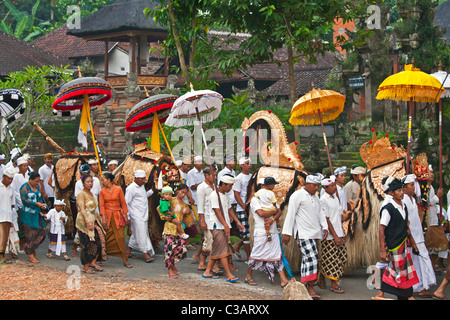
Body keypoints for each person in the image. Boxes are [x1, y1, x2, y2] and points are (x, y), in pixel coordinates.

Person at [282, 173, 328, 300]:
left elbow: (320, 212)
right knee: (311, 257)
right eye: (314, 185)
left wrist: (324, 227)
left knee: (310, 259)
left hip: (314, 233)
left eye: (317, 186)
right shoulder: (297, 195)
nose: (316, 188)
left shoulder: (316, 196)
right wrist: (287, 233)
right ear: (307, 184)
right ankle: (309, 286)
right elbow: (290, 214)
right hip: (302, 233)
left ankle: (304, 285)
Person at [373, 176, 419, 300]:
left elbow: (405, 226)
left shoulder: (404, 206)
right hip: (394, 244)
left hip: (403, 242)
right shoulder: (388, 208)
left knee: (402, 271)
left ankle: (404, 295)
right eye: (398, 191)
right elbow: (381, 229)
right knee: (396, 270)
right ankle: (404, 295)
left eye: (402, 190)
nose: (401, 193)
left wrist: (413, 242)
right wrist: (383, 249)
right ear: (392, 193)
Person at [245, 177, 288, 287]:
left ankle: (283, 279)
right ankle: (248, 276)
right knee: (256, 253)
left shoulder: (271, 197)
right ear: (263, 186)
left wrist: (272, 219)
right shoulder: (255, 200)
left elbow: (279, 212)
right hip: (261, 231)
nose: (273, 187)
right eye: (271, 185)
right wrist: (273, 212)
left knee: (277, 255)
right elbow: (261, 213)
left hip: (272, 231)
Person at [202, 174, 245, 283]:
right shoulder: (214, 195)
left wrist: (237, 221)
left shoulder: (225, 195)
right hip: (217, 226)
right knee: (224, 251)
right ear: (223, 184)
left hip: (224, 225)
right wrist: (225, 225)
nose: (231, 188)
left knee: (217, 249)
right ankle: (229, 275)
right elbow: (217, 211)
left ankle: (207, 271)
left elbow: (229, 209)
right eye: (230, 186)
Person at [402, 174, 436, 298]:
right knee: (418, 260)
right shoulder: (404, 199)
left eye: (413, 185)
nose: (414, 188)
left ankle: (423, 286)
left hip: (418, 235)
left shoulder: (412, 199)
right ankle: (421, 286)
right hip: (411, 236)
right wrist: (408, 236)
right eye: (411, 185)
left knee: (422, 259)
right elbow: (405, 220)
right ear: (404, 187)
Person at [320, 175, 347, 294]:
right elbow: (327, 220)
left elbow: (338, 217)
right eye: (331, 186)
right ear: (325, 188)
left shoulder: (335, 198)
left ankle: (326, 277)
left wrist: (342, 232)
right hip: (331, 236)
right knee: (332, 260)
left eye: (334, 185)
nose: (334, 188)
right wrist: (335, 236)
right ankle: (333, 284)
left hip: (339, 232)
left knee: (342, 257)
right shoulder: (323, 200)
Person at [99, 172, 132, 268]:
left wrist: (126, 217)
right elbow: (101, 205)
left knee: (120, 237)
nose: (102, 182)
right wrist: (103, 218)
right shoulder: (102, 191)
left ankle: (125, 259)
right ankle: (101, 256)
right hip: (108, 216)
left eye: (103, 179)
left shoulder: (118, 189)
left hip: (118, 215)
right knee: (106, 237)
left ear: (108, 180)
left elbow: (123, 203)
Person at [76, 175, 106, 274]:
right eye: (88, 182)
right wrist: (88, 222)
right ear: (83, 183)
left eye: (91, 182)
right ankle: (85, 266)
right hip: (84, 220)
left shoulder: (92, 194)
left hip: (93, 219)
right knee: (86, 243)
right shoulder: (81, 194)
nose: (90, 184)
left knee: (99, 239)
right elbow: (82, 209)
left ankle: (93, 262)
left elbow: (94, 209)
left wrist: (99, 219)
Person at [194, 166, 221, 272]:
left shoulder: (216, 186)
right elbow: (200, 206)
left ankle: (205, 262)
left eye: (216, 175)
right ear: (207, 175)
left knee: (215, 241)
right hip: (207, 217)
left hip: (216, 217)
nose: (215, 177)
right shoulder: (201, 187)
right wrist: (202, 220)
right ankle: (209, 264)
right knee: (209, 240)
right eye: (213, 175)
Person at [125, 169, 155, 263]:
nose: (143, 181)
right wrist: (128, 217)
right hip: (136, 215)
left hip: (143, 214)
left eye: (144, 179)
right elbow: (126, 203)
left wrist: (152, 191)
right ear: (136, 178)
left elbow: (143, 196)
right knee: (142, 234)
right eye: (142, 179)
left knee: (136, 234)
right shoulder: (131, 188)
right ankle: (145, 253)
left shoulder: (141, 186)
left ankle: (128, 251)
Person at [158, 188, 188, 279]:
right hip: (169, 228)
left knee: (181, 248)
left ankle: (173, 264)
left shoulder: (184, 204)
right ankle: (170, 270)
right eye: (182, 192)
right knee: (169, 249)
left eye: (185, 193)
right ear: (177, 191)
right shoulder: (170, 199)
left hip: (179, 229)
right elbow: (159, 208)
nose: (183, 194)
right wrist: (164, 217)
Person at [20, 172, 47, 264]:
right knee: (30, 234)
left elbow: (39, 198)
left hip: (37, 213)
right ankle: (31, 255)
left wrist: (42, 206)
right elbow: (24, 200)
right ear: (30, 179)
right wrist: (35, 204)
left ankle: (30, 249)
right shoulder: (24, 187)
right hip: (28, 214)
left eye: (38, 181)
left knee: (42, 233)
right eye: (35, 181)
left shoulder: (37, 187)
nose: (37, 183)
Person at [424, 166, 447, 272]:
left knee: (438, 244)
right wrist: (437, 196)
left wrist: (438, 213)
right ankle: (430, 266)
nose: (432, 174)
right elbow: (425, 203)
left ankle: (432, 264)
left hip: (433, 219)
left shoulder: (431, 187)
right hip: (427, 220)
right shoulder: (424, 187)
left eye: (432, 172)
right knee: (432, 244)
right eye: (429, 172)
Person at [232, 157, 252, 261]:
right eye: (247, 163)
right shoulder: (239, 178)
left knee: (251, 232)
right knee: (246, 234)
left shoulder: (252, 177)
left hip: (251, 208)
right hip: (242, 209)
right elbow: (236, 195)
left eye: (250, 164)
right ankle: (248, 258)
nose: (249, 165)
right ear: (241, 165)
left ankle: (237, 246)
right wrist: (245, 207)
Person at [11, 156, 29, 252]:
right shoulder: (16, 177)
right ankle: (21, 244)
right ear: (19, 166)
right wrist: (21, 203)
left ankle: (27, 243)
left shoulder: (28, 176)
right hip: (21, 204)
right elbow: (15, 191)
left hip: (29, 203)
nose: (26, 167)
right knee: (21, 224)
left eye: (27, 165)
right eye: (24, 166)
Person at [0, 167, 16, 264]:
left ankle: (2, 254)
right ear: (3, 177)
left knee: (5, 237)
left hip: (8, 215)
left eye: (11, 179)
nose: (10, 181)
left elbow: (12, 204)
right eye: (8, 178)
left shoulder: (11, 189)